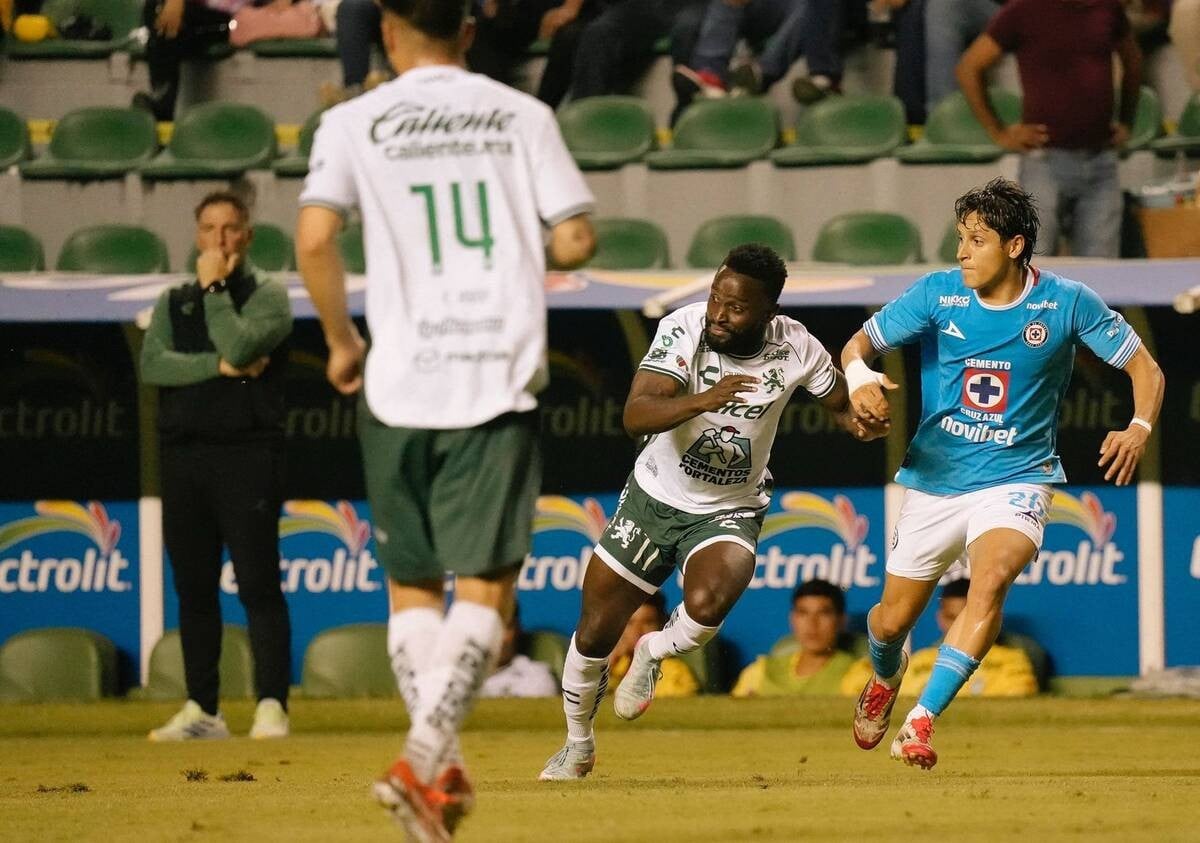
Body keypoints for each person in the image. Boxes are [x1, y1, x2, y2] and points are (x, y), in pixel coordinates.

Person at [294, 0, 596, 836]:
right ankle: (420, 757)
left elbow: (315, 237)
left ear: (387, 34)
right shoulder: (522, 114)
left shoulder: (351, 120)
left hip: (396, 380)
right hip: (491, 375)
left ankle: (443, 769)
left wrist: (341, 342)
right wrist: (526, 241)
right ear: (468, 31)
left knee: (413, 587)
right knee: (488, 589)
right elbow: (574, 240)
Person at [841, 177, 1164, 770]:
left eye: (977, 239)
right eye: (960, 238)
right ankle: (887, 676)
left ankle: (920, 721)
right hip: (936, 479)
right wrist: (861, 381)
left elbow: (1146, 368)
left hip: (1019, 477)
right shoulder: (938, 294)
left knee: (989, 582)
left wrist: (1138, 426)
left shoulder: (1066, 302)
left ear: (1014, 246)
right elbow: (856, 347)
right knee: (889, 623)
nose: (962, 252)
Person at [537, 243, 887, 782]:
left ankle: (652, 653)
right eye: (715, 298)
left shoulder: (796, 345)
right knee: (593, 634)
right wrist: (703, 399)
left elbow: (838, 404)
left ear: (769, 311)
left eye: (736, 307)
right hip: (653, 497)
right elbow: (636, 415)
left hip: (730, 506)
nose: (719, 314)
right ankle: (577, 744)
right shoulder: (684, 328)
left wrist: (864, 418)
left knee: (704, 610)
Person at [141, 191, 294, 742]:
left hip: (248, 456)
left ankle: (272, 705)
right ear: (196, 233)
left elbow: (240, 337)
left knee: (258, 584)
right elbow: (153, 363)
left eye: (231, 229)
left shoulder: (269, 297)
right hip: (183, 457)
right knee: (194, 588)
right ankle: (203, 709)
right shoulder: (171, 300)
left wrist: (214, 289)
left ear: (248, 236)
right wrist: (221, 366)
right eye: (209, 229)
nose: (220, 240)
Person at [956, 0, 1142, 258]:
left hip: (1101, 161)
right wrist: (998, 132)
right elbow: (969, 67)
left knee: (1101, 274)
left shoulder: (1108, 7)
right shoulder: (1023, 10)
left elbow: (1133, 62)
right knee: (1036, 267)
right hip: (1044, 163)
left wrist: (1126, 122)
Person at [841, 577, 1041, 698]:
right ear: (940, 618)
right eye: (952, 617)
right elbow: (858, 691)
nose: (958, 626)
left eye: (966, 617)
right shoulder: (921, 661)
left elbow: (1017, 695)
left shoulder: (1011, 662)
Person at [731, 578, 858, 698]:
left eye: (824, 613)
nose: (812, 623)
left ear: (841, 621)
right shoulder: (761, 670)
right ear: (793, 619)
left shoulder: (856, 674)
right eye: (803, 613)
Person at [609, 592, 699, 698]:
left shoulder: (676, 672)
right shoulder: (613, 665)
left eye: (647, 623)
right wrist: (609, 667)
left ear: (662, 625)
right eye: (630, 623)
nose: (637, 632)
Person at [478, 605, 560, 698]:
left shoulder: (536, 680)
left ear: (517, 630)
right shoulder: (459, 676)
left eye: (504, 626)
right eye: (484, 627)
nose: (494, 636)